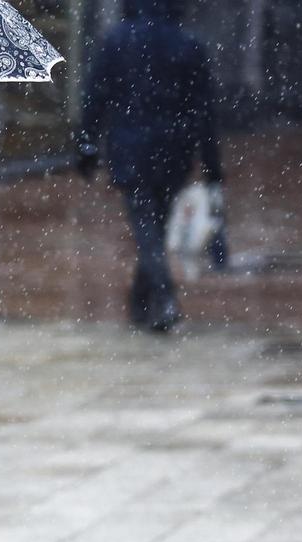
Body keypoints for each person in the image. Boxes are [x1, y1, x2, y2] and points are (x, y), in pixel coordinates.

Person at [78, 0, 224, 333]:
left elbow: (94, 95)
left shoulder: (117, 40)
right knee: (153, 229)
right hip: (174, 152)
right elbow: (204, 112)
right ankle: (142, 304)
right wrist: (212, 164)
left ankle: (163, 299)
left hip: (131, 150)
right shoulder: (188, 45)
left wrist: (86, 143)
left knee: (149, 232)